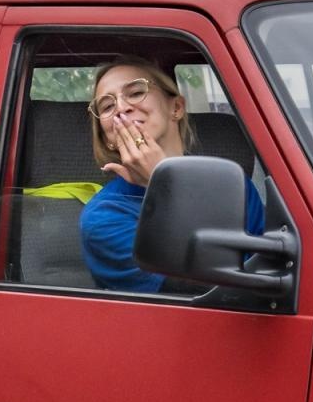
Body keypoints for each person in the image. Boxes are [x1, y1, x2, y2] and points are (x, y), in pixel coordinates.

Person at [79, 58, 264, 292]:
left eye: (136, 92)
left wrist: (165, 181)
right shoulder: (104, 216)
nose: (121, 108)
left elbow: (271, 271)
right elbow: (206, 291)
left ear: (176, 108)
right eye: (106, 107)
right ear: (108, 138)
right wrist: (163, 184)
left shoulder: (236, 187)